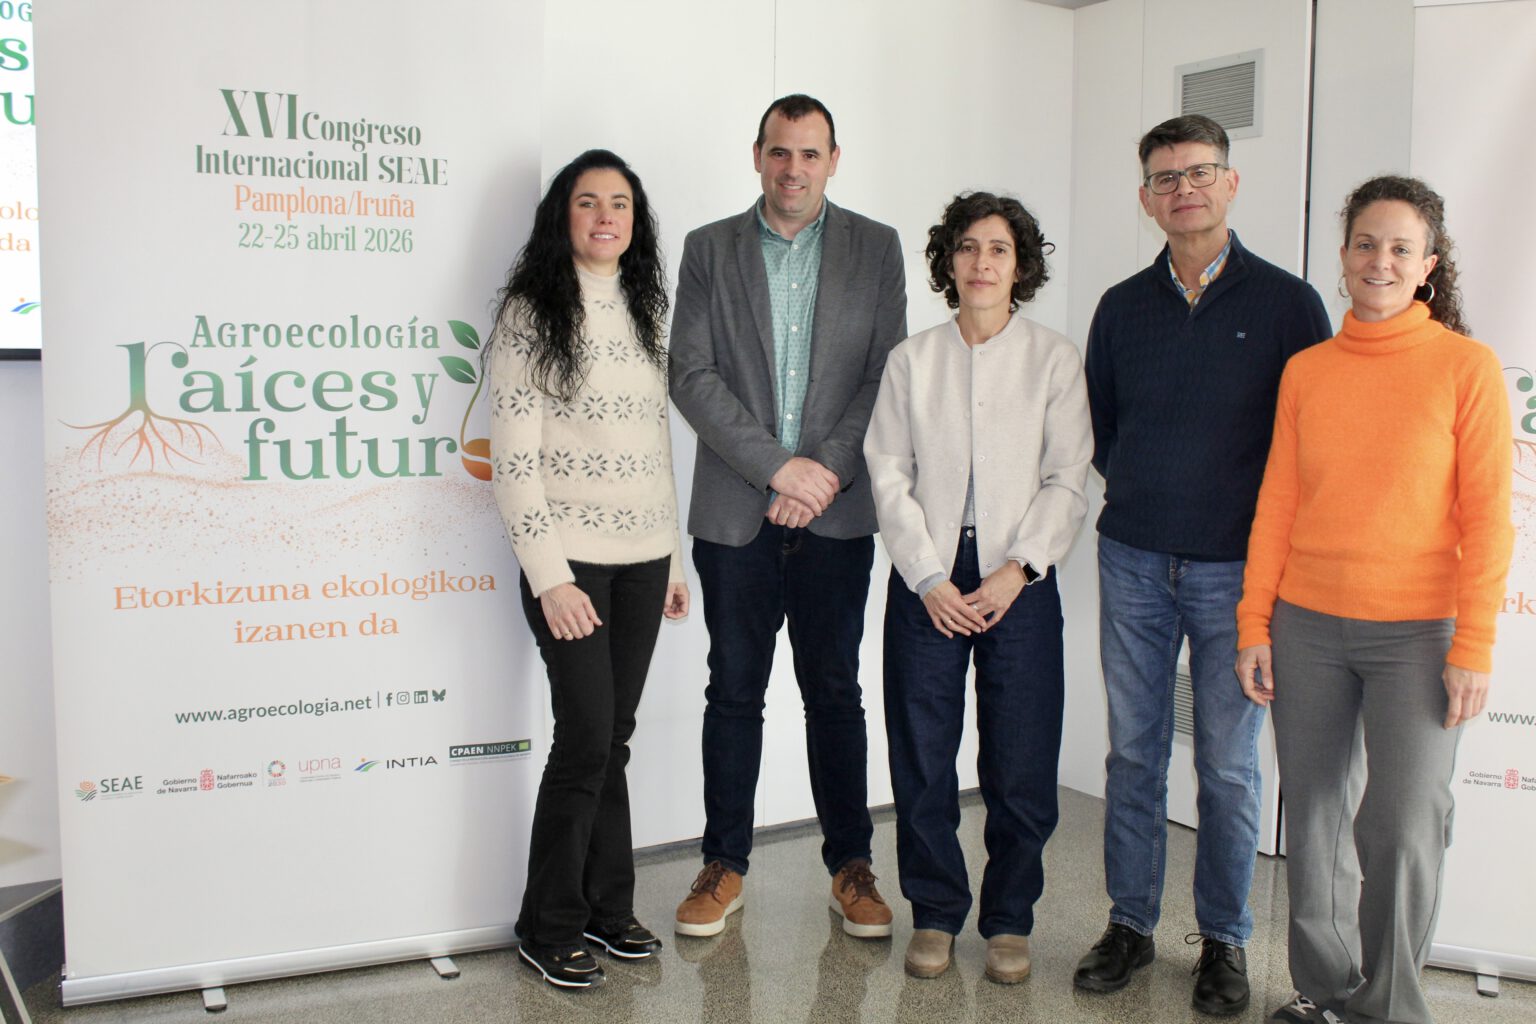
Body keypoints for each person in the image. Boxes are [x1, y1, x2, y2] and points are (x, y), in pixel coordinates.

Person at [1235, 175, 1513, 1024]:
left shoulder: (1466, 368)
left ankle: (1389, 1005)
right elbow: (1278, 503)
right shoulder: (1308, 371)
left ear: (1428, 265)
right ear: (1344, 254)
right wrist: (1254, 622)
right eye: (1366, 243)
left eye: (1400, 248)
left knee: (1403, 822)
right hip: (1308, 626)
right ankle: (1324, 992)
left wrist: (1473, 646)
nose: (1380, 261)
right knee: (1315, 821)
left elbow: (1489, 518)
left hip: (1420, 638)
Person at [1078, 114, 1332, 1015]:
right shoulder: (1121, 307)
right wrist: (1152, 489)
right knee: (1134, 756)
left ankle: (1224, 938)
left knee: (1227, 766)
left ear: (1230, 183)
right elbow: (1104, 428)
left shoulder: (1290, 304)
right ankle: (1130, 925)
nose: (1182, 189)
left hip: (1239, 571)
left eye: (1199, 172)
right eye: (1164, 178)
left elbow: (1309, 438)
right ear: (1146, 199)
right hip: (1134, 559)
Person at [668, 93, 907, 939]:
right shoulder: (709, 249)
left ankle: (852, 866)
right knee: (733, 691)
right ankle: (723, 864)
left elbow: (885, 375)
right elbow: (691, 375)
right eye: (779, 152)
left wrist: (823, 474)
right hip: (736, 513)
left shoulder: (877, 247)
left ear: (833, 160)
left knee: (835, 692)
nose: (793, 169)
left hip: (836, 518)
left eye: (809, 154)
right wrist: (779, 468)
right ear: (757, 155)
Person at [865, 192, 1090, 982]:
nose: (982, 262)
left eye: (999, 249)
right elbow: (888, 474)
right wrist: (927, 576)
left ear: (1020, 266)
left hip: (1018, 580)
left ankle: (1009, 920)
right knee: (923, 752)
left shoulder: (1053, 359)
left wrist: (1019, 567)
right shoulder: (912, 360)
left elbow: (1068, 478)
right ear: (948, 262)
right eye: (967, 247)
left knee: (1020, 756)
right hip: (927, 578)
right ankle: (934, 912)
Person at [489, 149, 689, 989]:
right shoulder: (530, 314)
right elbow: (512, 463)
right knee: (583, 741)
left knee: (613, 738)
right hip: (569, 563)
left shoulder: (646, 308)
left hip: (644, 560)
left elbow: (655, 444)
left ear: (635, 220)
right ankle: (548, 925)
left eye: (620, 203)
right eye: (587, 202)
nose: (605, 217)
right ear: (561, 217)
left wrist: (673, 557)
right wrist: (550, 577)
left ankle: (609, 909)